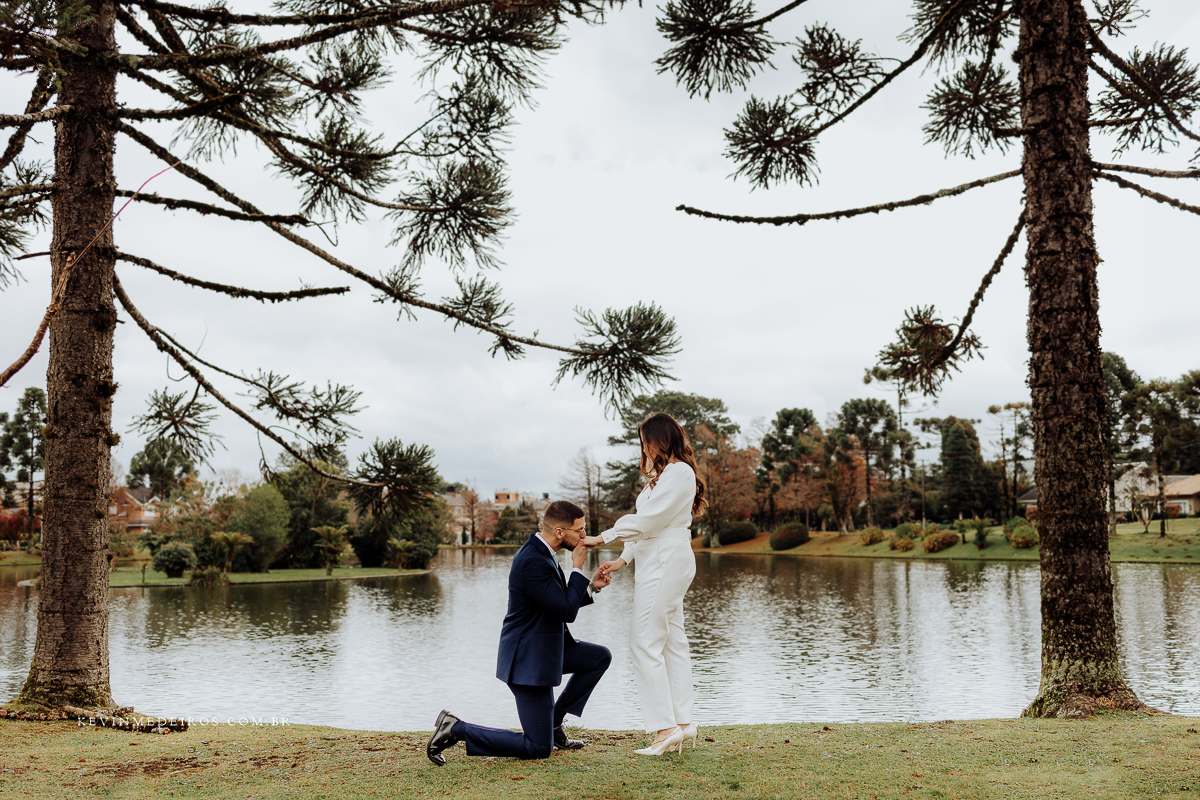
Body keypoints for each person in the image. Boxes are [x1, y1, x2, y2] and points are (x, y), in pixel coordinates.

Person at [426, 500, 611, 765]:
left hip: (547, 649)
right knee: (538, 747)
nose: (584, 536)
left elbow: (556, 602)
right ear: (560, 532)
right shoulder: (532, 561)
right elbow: (566, 611)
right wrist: (578, 569)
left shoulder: (543, 552)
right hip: (528, 662)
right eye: (579, 530)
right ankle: (455, 729)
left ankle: (555, 722)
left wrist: (591, 587)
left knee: (598, 658)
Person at [582, 412, 705, 756]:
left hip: (667, 559)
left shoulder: (680, 472)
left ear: (660, 440)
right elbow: (647, 526)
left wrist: (601, 537)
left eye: (645, 441)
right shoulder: (660, 478)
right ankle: (682, 723)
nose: (643, 448)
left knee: (643, 641)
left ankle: (664, 729)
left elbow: (650, 521)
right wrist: (622, 559)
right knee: (671, 641)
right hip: (657, 557)